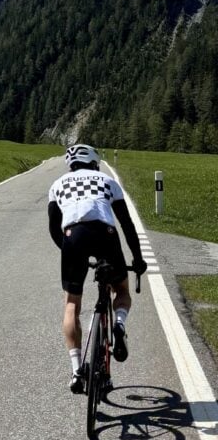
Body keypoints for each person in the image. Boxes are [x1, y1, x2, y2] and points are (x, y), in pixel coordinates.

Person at [48, 144, 147, 393]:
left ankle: (76, 370)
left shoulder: (57, 184)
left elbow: (53, 227)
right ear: (95, 162)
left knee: (72, 304)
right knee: (121, 290)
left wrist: (70, 251)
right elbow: (127, 224)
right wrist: (137, 259)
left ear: (70, 164)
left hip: (73, 236)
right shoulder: (106, 179)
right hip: (105, 233)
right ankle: (119, 325)